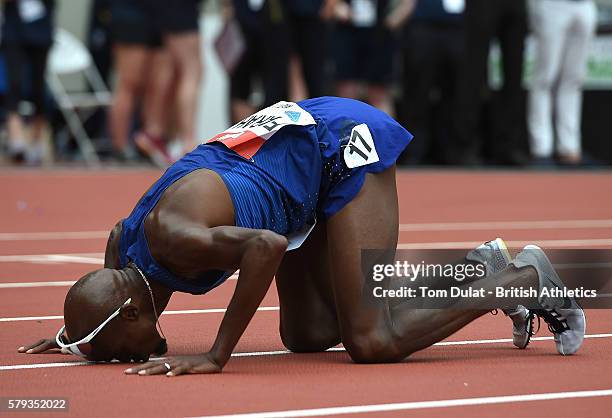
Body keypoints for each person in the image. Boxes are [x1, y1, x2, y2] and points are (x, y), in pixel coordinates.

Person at [17, 97, 585, 375]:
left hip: (339, 147)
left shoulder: (173, 238)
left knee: (371, 342)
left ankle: (519, 276)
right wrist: (78, 334)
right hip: (291, 172)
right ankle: (470, 270)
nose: (122, 363)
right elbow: (112, 281)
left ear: (134, 316)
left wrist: (217, 356)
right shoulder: (125, 253)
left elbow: (262, 246)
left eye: (116, 354)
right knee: (308, 335)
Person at [454, 0, 529, 165]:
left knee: (514, 74)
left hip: (515, 5)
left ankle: (509, 146)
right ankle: (466, 146)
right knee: (473, 72)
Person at [527, 0, 598, 166]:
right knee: (544, 79)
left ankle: (569, 147)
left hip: (584, 5)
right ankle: (541, 149)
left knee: (574, 80)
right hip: (553, 5)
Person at [399, 0, 465, 164]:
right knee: (417, 90)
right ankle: (414, 151)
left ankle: (450, 151)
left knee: (455, 92)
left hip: (460, 25)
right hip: (423, 22)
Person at [1, 0, 55, 164]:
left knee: (38, 88)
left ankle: (38, 137)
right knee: (14, 83)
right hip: (14, 31)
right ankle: (16, 138)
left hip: (41, 32)